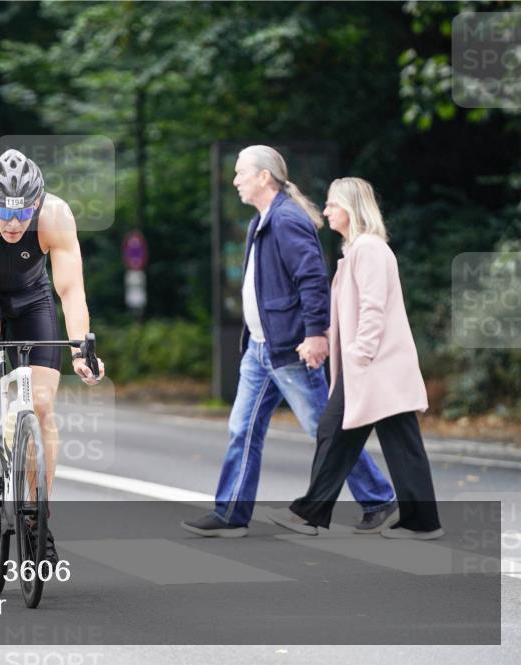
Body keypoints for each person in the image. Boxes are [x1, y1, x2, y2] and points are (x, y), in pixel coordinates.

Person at [182, 146, 396, 538]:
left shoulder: (286, 219)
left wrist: (315, 334)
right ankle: (230, 514)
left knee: (324, 427)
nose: (235, 180)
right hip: (260, 350)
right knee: (242, 429)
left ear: (265, 176)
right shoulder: (262, 221)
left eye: (241, 172)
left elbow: (312, 280)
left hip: (290, 347)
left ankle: (380, 500)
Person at [0, 149, 105, 562]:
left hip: (33, 298)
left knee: (44, 406)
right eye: (6, 215)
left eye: (24, 214)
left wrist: (82, 348)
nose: (15, 225)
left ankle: (38, 519)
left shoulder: (57, 216)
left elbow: (71, 290)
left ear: (37, 204)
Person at [268, 177, 442, 539]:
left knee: (341, 432)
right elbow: (350, 313)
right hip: (370, 367)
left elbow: (373, 309)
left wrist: (358, 356)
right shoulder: (358, 251)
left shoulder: (369, 250)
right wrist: (328, 343)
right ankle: (417, 521)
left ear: (350, 208)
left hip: (375, 366)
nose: (327, 210)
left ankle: (311, 514)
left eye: (332, 204)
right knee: (377, 440)